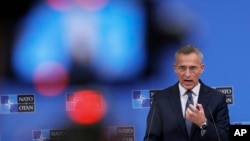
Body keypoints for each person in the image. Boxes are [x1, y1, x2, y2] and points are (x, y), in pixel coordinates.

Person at [143, 45, 230, 141]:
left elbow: (224, 138)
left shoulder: (217, 98)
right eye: (182, 68)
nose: (187, 74)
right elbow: (150, 138)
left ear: (201, 68)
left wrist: (203, 123)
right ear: (175, 68)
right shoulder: (160, 99)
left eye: (193, 68)